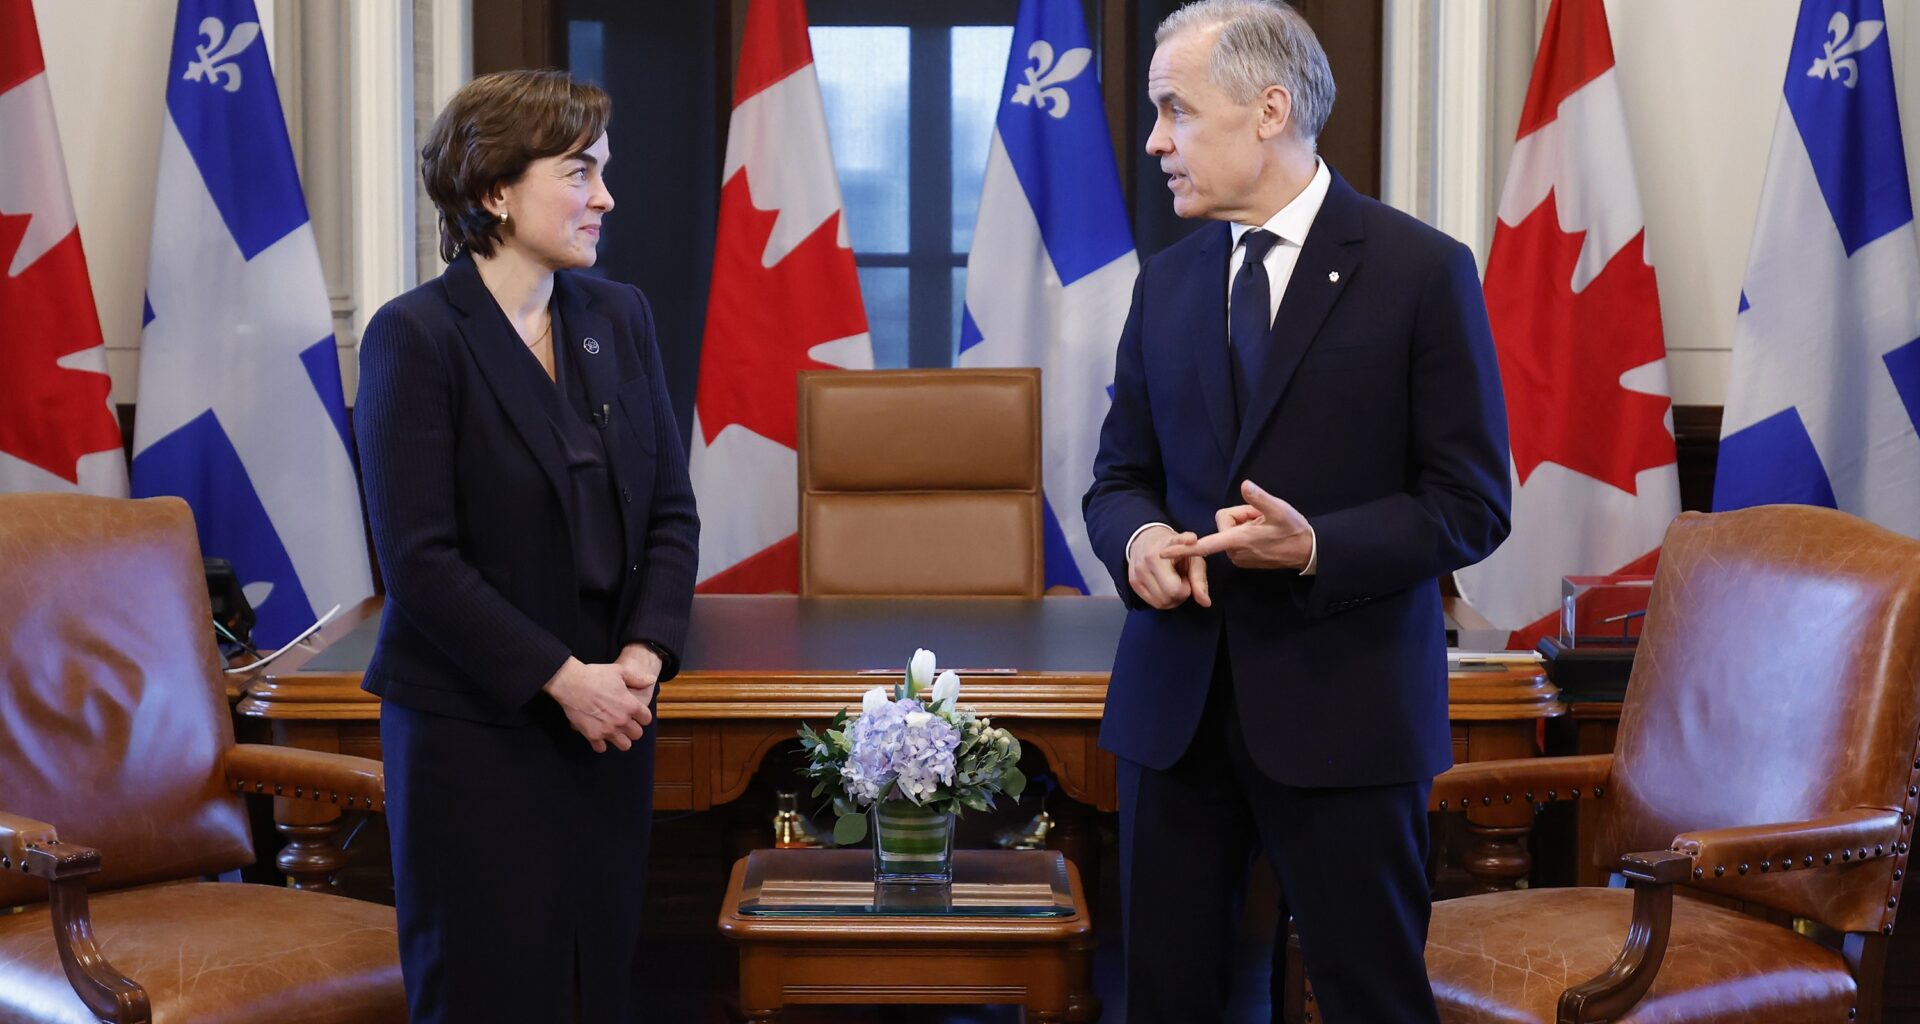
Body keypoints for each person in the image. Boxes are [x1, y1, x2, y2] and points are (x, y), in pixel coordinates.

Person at [1082, 1, 1512, 1019]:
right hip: (1174, 716)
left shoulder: (1421, 272)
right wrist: (1139, 537)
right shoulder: (1169, 283)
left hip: (1347, 715)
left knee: (1370, 999)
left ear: (1268, 109)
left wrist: (1318, 545)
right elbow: (1118, 478)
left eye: (1174, 111)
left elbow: (1471, 503)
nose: (1155, 142)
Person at [354, 68, 698, 1023]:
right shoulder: (414, 337)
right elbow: (420, 563)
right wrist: (563, 679)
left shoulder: (617, 317)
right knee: (487, 994)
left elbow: (671, 511)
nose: (606, 198)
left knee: (598, 990)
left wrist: (640, 656)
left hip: (612, 725)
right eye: (580, 173)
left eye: (605, 173)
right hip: (476, 734)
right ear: (495, 190)